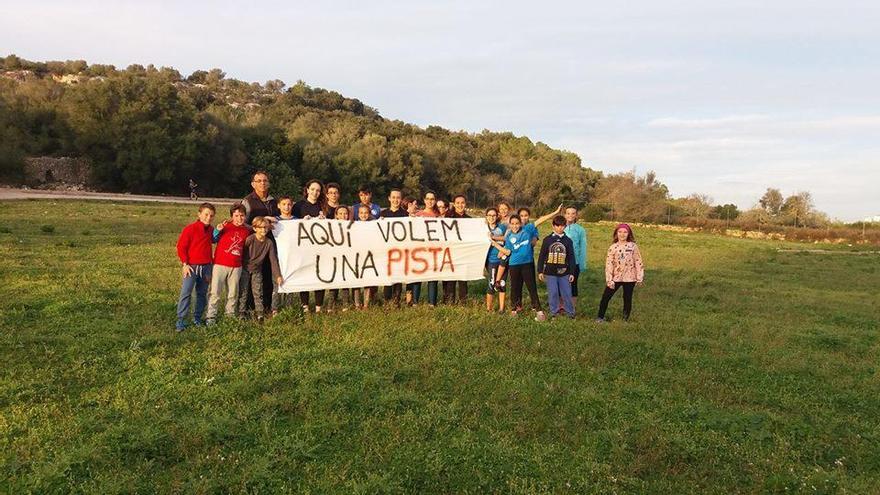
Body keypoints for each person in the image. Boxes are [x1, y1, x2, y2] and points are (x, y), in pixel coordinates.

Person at [205, 203, 250, 325]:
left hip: (236, 266)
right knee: (215, 292)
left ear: (245, 216)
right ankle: (211, 316)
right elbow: (213, 239)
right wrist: (217, 230)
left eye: (242, 215)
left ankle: (229, 314)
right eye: (236, 215)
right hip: (220, 264)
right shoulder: (225, 226)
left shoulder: (246, 230)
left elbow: (258, 229)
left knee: (233, 292)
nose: (239, 218)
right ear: (231, 216)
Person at [175, 202, 216, 331]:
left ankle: (197, 317)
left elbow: (215, 239)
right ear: (199, 214)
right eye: (206, 214)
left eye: (211, 215)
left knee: (202, 293)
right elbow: (181, 247)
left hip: (206, 267)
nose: (208, 218)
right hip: (192, 266)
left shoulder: (210, 230)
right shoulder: (190, 229)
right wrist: (185, 263)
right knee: (186, 292)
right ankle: (181, 319)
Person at [498, 215, 545, 321]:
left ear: (520, 223)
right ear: (509, 225)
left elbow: (540, 220)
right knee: (514, 287)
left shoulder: (527, 229)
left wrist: (555, 212)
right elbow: (508, 250)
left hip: (527, 264)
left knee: (531, 287)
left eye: (517, 223)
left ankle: (539, 311)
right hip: (514, 265)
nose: (515, 226)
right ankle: (513, 310)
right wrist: (500, 250)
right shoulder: (509, 235)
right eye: (512, 224)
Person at [238, 217, 283, 323]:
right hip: (245, 268)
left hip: (257, 270)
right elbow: (242, 254)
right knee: (243, 291)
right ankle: (241, 312)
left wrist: (277, 275)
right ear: (255, 228)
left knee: (258, 292)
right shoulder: (250, 239)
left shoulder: (269, 243)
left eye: (266, 228)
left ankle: (260, 314)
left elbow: (273, 260)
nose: (264, 230)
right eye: (261, 228)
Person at [597, 224, 644, 322]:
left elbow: (638, 261)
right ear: (616, 233)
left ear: (628, 234)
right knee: (606, 297)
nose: (622, 234)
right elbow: (609, 264)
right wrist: (609, 279)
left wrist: (640, 277)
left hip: (630, 278)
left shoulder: (633, 246)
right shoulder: (613, 247)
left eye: (625, 232)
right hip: (615, 277)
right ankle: (600, 318)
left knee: (627, 298)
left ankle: (625, 319)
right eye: (620, 232)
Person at [293, 179, 326, 312]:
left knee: (320, 274)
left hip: (320, 247)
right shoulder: (298, 206)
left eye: (318, 190)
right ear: (307, 190)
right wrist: (301, 221)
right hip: (303, 247)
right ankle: (305, 305)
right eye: (312, 189)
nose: (315, 192)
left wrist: (324, 220)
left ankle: (319, 306)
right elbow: (291, 222)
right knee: (304, 274)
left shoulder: (323, 206)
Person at [537, 215, 577, 319]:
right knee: (553, 292)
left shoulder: (568, 241)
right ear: (553, 226)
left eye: (562, 226)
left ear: (565, 226)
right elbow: (542, 256)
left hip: (564, 272)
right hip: (550, 272)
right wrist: (540, 271)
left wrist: (572, 272)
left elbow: (572, 257)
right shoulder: (547, 240)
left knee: (567, 293)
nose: (560, 228)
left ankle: (570, 313)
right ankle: (554, 312)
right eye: (557, 226)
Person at [380, 188, 408, 308]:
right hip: (387, 251)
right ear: (389, 198)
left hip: (401, 250)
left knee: (398, 276)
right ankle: (387, 301)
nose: (396, 200)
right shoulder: (383, 214)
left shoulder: (405, 215)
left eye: (398, 197)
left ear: (401, 200)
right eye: (394, 197)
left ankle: (396, 301)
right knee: (388, 277)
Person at [443, 194, 470, 304]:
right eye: (458, 203)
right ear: (454, 204)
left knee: (463, 279)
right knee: (451, 278)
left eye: (462, 203)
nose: (460, 205)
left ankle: (463, 301)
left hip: (464, 253)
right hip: (451, 253)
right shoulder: (448, 218)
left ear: (465, 204)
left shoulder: (470, 220)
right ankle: (450, 302)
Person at [416, 190, 440, 307]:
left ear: (434, 201)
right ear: (424, 200)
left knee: (433, 277)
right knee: (417, 275)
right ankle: (415, 302)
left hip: (434, 251)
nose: (430, 201)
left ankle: (432, 303)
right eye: (428, 199)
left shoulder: (438, 216)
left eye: (432, 199)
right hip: (419, 250)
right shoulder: (418, 215)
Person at [272, 196, 296, 314]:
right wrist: (268, 219)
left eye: (289, 204)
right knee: (277, 282)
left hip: (292, 256)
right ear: (279, 206)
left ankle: (288, 308)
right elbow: (259, 221)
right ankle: (275, 309)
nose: (286, 207)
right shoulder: (275, 220)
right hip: (278, 256)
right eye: (284, 204)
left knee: (290, 281)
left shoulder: (296, 220)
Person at [326, 206, 353, 312]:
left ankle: (345, 305)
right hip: (334, 259)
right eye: (340, 214)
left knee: (345, 282)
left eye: (345, 214)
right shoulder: (330, 226)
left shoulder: (353, 226)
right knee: (334, 283)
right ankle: (330, 307)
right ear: (336, 215)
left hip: (347, 258)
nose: (343, 216)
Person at [563, 205, 587, 310]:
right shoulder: (560, 227)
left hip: (574, 262)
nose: (570, 215)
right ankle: (561, 307)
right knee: (561, 284)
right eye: (568, 213)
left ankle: (572, 308)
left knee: (573, 284)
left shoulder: (580, 230)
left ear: (576, 215)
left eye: (573, 213)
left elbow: (583, 247)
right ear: (565, 214)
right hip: (561, 262)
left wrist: (581, 264)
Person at [484, 207, 508, 312]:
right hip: (491, 260)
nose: (491, 217)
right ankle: (489, 309)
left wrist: (503, 250)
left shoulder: (502, 227)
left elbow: (508, 239)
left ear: (497, 216)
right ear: (486, 217)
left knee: (502, 283)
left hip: (503, 258)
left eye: (493, 215)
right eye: (489, 215)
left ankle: (501, 309)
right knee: (492, 283)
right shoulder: (483, 228)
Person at [354, 205, 375, 309]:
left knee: (367, 280)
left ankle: (366, 303)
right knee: (357, 280)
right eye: (361, 213)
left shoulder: (373, 225)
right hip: (356, 256)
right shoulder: (354, 225)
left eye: (366, 213)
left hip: (369, 256)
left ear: (369, 213)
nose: (363, 215)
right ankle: (357, 304)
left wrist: (382, 222)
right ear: (358, 214)